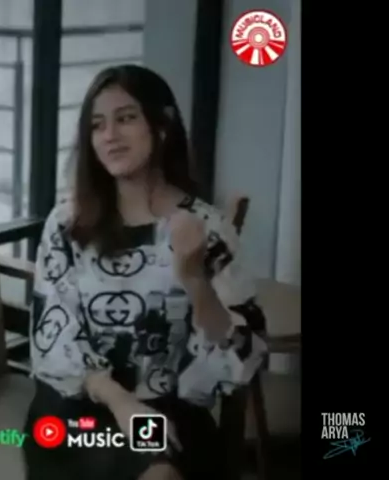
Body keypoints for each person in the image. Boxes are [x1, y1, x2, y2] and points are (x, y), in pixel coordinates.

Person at [22, 65, 268, 480]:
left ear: (162, 126)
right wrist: (121, 402)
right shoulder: (67, 224)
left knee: (160, 467)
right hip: (80, 407)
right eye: (97, 125)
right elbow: (53, 335)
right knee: (156, 470)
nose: (110, 135)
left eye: (126, 118)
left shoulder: (207, 227)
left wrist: (195, 280)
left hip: (171, 410)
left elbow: (246, 356)